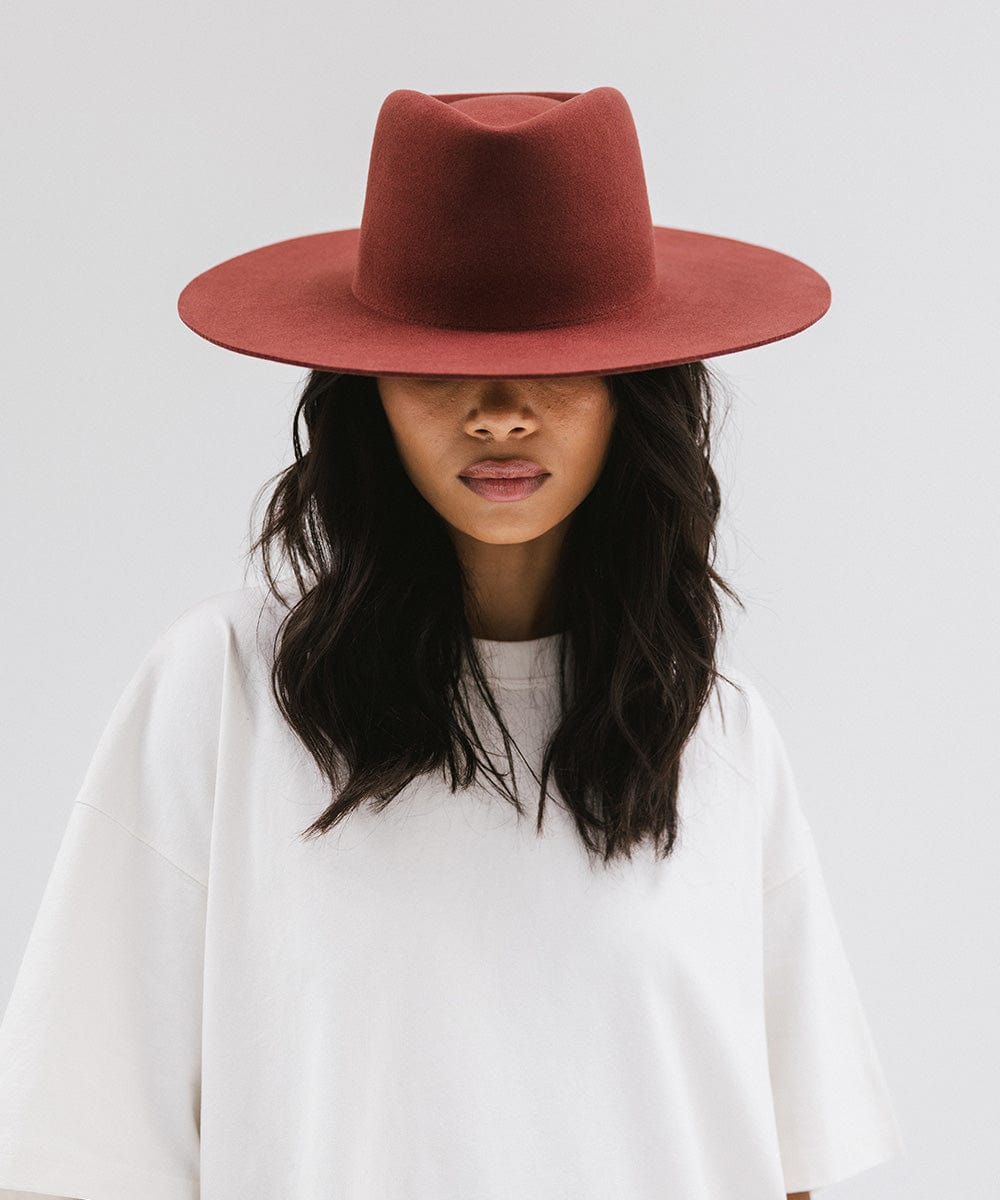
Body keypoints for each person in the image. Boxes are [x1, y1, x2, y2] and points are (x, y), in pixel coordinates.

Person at [0, 87, 904, 1200]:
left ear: (637, 390)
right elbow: (86, 1147)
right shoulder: (225, 695)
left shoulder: (713, 732)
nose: (499, 409)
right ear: (363, 387)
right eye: (439, 357)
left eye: (559, 356)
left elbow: (785, 1161)